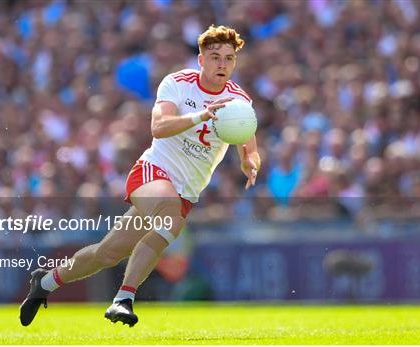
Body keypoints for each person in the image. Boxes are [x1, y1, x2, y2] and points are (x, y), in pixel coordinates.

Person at [19, 25, 261, 327]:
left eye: (228, 58)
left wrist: (250, 162)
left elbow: (248, 145)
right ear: (200, 59)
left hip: (185, 191)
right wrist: (201, 115)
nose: (222, 64)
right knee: (169, 223)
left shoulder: (239, 102)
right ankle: (123, 299)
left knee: (107, 253)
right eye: (215, 57)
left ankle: (45, 283)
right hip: (153, 171)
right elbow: (158, 127)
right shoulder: (177, 83)